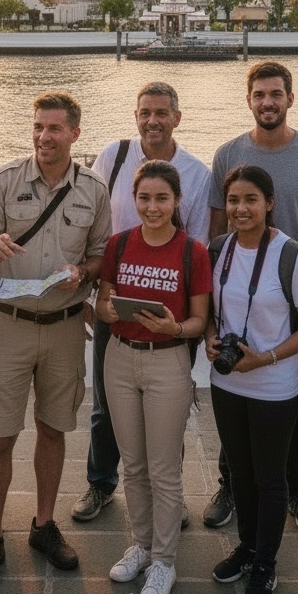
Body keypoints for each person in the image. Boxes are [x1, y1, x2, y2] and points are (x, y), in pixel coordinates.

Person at [0, 91, 111, 592]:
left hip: (66, 326)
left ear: (75, 133)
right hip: (8, 323)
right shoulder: (5, 181)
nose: (44, 137)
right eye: (37, 128)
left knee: (54, 429)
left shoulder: (94, 189)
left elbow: (100, 258)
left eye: (54, 129)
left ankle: (44, 525)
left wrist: (84, 271)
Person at [207, 61, 298, 536]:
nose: (268, 102)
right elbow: (216, 229)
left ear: (289, 99)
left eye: (276, 94)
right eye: (260, 94)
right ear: (249, 100)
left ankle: (296, 487)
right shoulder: (227, 154)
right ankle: (230, 482)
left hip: (294, 296)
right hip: (237, 301)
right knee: (233, 390)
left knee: (297, 403)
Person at [73, 81, 211, 525]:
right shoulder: (113, 156)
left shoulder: (196, 173)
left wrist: (188, 318)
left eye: (162, 113)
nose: (153, 121)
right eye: (145, 112)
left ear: (177, 117)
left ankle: (168, 495)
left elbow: (200, 242)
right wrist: (93, 296)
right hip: (115, 301)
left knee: (169, 408)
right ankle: (100, 483)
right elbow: (94, 223)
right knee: (105, 406)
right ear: (136, 116)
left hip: (168, 315)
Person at [207, 166, 298, 594]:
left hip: (275, 385)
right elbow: (211, 312)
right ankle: (247, 547)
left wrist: (268, 356)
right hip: (227, 380)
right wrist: (208, 340)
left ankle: (265, 564)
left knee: (270, 477)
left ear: (269, 203)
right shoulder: (219, 249)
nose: (241, 209)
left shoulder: (292, 256)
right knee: (239, 471)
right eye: (233, 200)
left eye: (251, 199)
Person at [97, 161, 211, 594]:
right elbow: (104, 301)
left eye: (162, 198)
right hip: (120, 359)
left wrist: (175, 329)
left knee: (163, 470)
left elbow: (200, 320)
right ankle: (141, 545)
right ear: (134, 198)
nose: (152, 206)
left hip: (167, 362)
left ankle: (164, 560)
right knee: (133, 464)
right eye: (144, 198)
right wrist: (106, 311)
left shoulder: (192, 251)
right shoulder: (119, 243)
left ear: (177, 201)